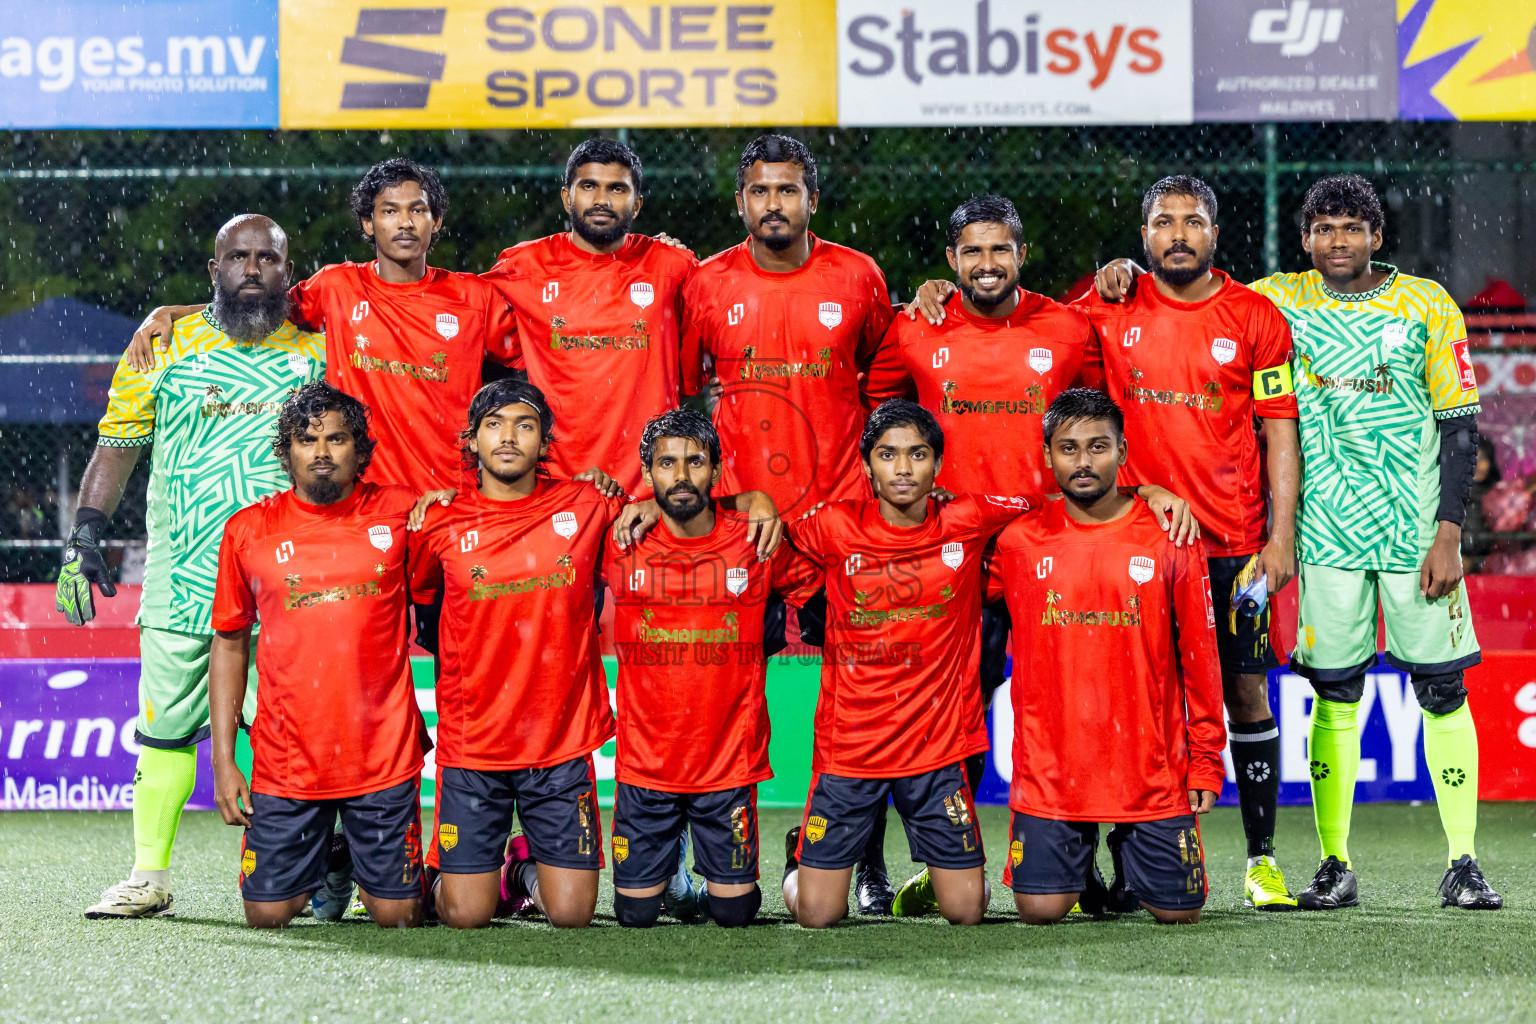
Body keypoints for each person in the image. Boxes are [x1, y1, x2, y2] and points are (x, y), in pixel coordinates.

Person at [1097, 174, 1503, 911]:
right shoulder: (1275, 300)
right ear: (1305, 237)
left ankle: (1464, 861)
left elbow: (1459, 424)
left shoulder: (1426, 305)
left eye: (1352, 228)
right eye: (1323, 229)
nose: (1336, 241)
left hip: (1416, 534)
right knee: (1335, 692)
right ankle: (1334, 863)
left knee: (1442, 689)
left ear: (1378, 236)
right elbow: (1189, 289)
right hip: (1325, 535)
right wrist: (1120, 270)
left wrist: (1451, 531)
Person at [919, 177, 1300, 911]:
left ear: (1216, 233)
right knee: (1065, 693)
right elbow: (1027, 326)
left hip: (1234, 542)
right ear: (1145, 234)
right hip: (1135, 544)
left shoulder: (1255, 316)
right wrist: (938, 290)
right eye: (1164, 222)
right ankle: (979, 854)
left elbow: (1280, 427)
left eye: (1193, 221)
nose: (1178, 234)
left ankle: (1261, 858)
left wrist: (1279, 539)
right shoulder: (1104, 307)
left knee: (1246, 691)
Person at [407, 380, 777, 929]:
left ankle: (519, 872)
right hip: (474, 743)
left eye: (525, 425)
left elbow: (676, 506)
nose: (509, 437)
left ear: (545, 442)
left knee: (574, 916)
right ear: (471, 439)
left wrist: (752, 498)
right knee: (465, 917)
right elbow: (418, 604)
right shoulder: (436, 521)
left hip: (561, 745)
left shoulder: (589, 503)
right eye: (494, 425)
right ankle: (434, 877)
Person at [57, 214, 326, 919]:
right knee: (166, 729)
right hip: (183, 575)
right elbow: (119, 441)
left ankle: (299, 873)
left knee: (289, 731)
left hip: (288, 578)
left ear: (285, 271)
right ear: (214, 271)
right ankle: (150, 876)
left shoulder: (320, 350)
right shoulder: (165, 344)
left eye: (266, 258)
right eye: (236, 257)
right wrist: (85, 533)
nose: (250, 269)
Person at [680, 133, 906, 913]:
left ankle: (856, 858)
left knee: (854, 708)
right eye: (760, 191)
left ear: (813, 198)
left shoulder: (858, 276)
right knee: (717, 698)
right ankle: (715, 853)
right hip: (740, 532)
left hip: (838, 530)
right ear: (740, 201)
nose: (774, 203)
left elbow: (886, 378)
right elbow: (683, 404)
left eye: (788, 190)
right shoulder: (705, 285)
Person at [778, 400, 1034, 928]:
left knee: (966, 911)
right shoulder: (833, 524)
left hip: (935, 748)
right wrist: (756, 500)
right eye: (887, 455)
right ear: (866, 464)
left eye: (917, 455)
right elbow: (765, 542)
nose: (902, 469)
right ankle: (796, 857)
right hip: (850, 745)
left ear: (937, 464)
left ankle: (944, 871)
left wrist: (1144, 491)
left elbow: (1048, 505)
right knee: (816, 914)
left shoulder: (967, 519)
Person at [125, 157, 519, 491]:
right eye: (389, 211)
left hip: (452, 496)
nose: (406, 223)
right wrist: (174, 311)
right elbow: (259, 304)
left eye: (418, 210)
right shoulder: (336, 287)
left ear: (437, 221)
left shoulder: (475, 298)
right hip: (363, 501)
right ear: (368, 223)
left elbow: (527, 364)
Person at [988, 389, 1225, 925]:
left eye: (1098, 447)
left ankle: (1124, 848)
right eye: (1068, 449)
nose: (1084, 461)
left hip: (1149, 768)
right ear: (1047, 456)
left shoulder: (1172, 536)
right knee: (1041, 911)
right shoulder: (1018, 543)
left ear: (1122, 450)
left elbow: (1201, 657)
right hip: (1053, 772)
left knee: (1177, 914)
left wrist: (1206, 758)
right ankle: (1082, 869)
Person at [208, 383, 429, 929]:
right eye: (306, 440)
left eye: (337, 438)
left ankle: (359, 858)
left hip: (380, 751)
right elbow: (229, 641)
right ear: (286, 452)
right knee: (267, 915)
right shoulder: (247, 530)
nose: (323, 452)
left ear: (361, 449)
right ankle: (334, 859)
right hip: (288, 756)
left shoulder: (402, 513)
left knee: (398, 916)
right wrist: (222, 758)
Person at [601, 409, 823, 928]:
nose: (680, 477)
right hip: (646, 766)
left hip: (726, 765)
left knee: (735, 914)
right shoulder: (619, 540)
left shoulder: (755, 539)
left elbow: (820, 591)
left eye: (695, 462)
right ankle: (673, 876)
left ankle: (795, 861)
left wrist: (759, 502)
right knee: (633, 916)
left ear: (717, 469)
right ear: (646, 470)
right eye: (666, 464)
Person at [482, 137, 699, 495]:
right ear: (568, 198)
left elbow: (714, 342)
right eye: (588, 186)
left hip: (650, 492)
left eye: (616, 188)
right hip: (555, 489)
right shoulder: (523, 268)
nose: (601, 200)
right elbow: (457, 321)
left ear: (637, 204)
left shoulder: (673, 267)